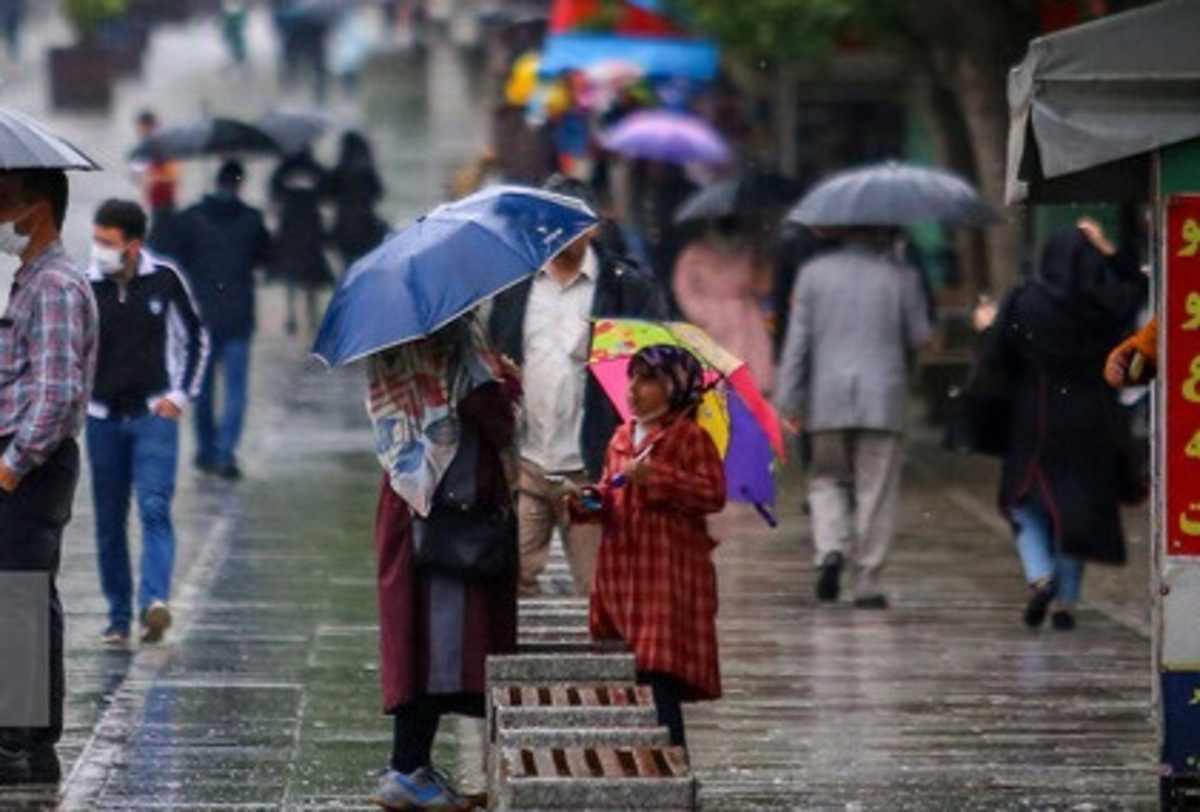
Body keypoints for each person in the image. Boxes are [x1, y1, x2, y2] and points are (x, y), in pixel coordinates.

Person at [487, 175, 669, 597]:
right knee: (506, 579)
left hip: (590, 468)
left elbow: (658, 372)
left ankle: (610, 659)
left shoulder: (626, 288)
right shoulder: (516, 289)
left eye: (572, 223)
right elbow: (496, 355)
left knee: (599, 587)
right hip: (526, 462)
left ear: (594, 228)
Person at [369, 312, 518, 810]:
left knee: (418, 637)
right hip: (445, 513)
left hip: (408, 498)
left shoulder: (393, 340)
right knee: (438, 642)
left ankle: (411, 764)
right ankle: (408, 767)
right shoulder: (455, 345)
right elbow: (489, 411)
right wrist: (506, 381)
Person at [982, 220, 1146, 630]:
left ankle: (1041, 575)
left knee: (1022, 501)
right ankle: (1066, 601)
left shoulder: (1026, 301)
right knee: (1077, 512)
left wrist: (987, 325)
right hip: (1092, 418)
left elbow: (1001, 354)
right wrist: (1110, 253)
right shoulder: (1106, 305)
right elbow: (1136, 293)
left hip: (1034, 415)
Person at [566, 345, 726, 749]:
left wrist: (658, 476)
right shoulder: (621, 437)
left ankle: (671, 765)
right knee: (628, 674)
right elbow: (610, 494)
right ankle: (640, 764)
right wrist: (587, 502)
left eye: (648, 380)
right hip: (622, 577)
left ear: (673, 388)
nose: (634, 389)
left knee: (659, 672)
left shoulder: (690, 438)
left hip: (667, 577)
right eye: (632, 378)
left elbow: (712, 494)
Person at [773, 227, 933, 608]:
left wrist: (788, 401)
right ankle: (867, 581)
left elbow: (797, 344)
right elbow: (920, 336)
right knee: (875, 489)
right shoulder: (902, 276)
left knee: (827, 479)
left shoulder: (813, 274)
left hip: (826, 397)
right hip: (883, 398)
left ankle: (830, 549)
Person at [0, 168, 98, 786]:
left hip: (30, 462)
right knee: (25, 598)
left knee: (20, 602)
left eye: (4, 200)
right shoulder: (30, 281)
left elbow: (58, 392)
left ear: (37, 210)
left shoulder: (54, 285)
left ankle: (17, 747)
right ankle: (28, 745)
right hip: (28, 458)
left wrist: (13, 465)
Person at [85, 199, 209, 646]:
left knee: (155, 507)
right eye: (96, 239)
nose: (99, 249)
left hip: (153, 417)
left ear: (133, 245)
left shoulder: (165, 280)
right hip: (101, 420)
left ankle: (153, 602)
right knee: (108, 520)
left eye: (108, 242)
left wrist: (179, 396)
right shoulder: (87, 286)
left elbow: (196, 338)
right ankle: (118, 615)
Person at [173, 160, 272, 480]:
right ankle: (226, 453)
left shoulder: (190, 219)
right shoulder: (253, 220)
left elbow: (177, 261)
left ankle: (205, 450)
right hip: (239, 315)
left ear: (215, 182)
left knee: (201, 388)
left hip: (201, 316)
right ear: (239, 185)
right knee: (236, 389)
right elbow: (264, 259)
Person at [672, 216, 776, 393]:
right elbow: (683, 289)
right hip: (712, 320)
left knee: (754, 376)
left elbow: (763, 286)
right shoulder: (695, 253)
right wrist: (702, 313)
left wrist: (761, 265)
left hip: (747, 318)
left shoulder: (750, 250)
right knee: (716, 377)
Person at [268, 146, 333, 336]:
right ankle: (312, 317)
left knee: (290, 273)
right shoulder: (316, 169)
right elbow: (327, 192)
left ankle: (291, 316)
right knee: (311, 273)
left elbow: (274, 193)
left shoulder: (283, 170)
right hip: (311, 227)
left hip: (289, 228)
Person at [326, 130, 388, 270]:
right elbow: (379, 193)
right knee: (364, 264)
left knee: (347, 265)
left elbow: (328, 194)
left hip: (343, 223)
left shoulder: (338, 170)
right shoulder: (367, 169)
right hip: (366, 222)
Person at [129, 109, 182, 254]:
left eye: (141, 128)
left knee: (156, 246)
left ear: (149, 126)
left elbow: (173, 174)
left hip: (164, 205)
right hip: (154, 205)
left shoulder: (164, 147)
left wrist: (149, 176)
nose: (139, 132)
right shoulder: (148, 148)